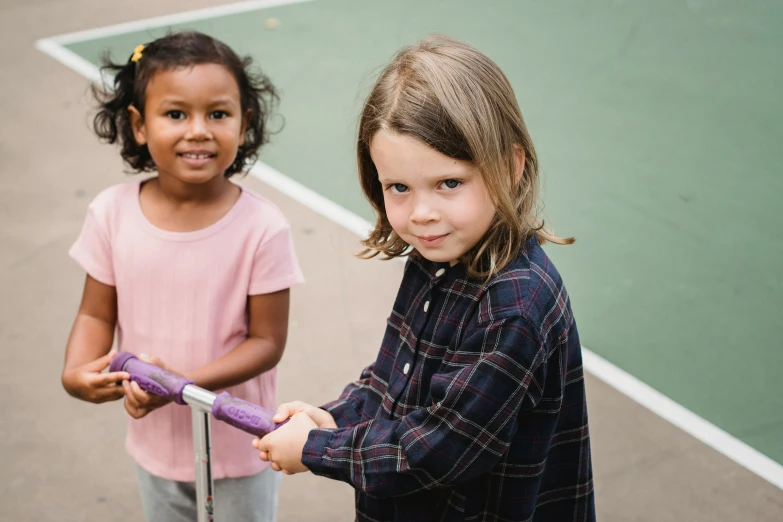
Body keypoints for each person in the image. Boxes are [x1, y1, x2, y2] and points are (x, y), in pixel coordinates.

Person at [254, 35, 595, 521]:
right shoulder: (437, 255)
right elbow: (393, 380)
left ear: (511, 166)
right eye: (399, 188)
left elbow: (440, 448)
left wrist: (319, 449)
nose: (422, 214)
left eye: (449, 183)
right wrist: (332, 417)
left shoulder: (514, 306)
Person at [61, 31, 303, 522]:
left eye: (218, 114)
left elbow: (266, 341)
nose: (199, 130)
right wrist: (76, 372)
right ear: (139, 124)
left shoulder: (263, 227)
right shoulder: (111, 214)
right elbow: (94, 310)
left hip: (240, 447)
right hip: (154, 444)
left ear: (244, 122)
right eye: (176, 114)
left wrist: (179, 385)